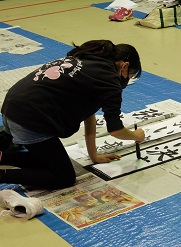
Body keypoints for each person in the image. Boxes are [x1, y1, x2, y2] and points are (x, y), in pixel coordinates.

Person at [0, 39, 145, 190]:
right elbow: (115, 130)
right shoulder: (109, 81)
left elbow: (89, 115)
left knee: (49, 161)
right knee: (64, 177)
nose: (127, 80)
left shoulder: (88, 59)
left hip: (11, 107)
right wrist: (136, 136)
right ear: (125, 66)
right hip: (30, 119)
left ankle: (2, 156)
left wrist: (93, 155)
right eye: (131, 75)